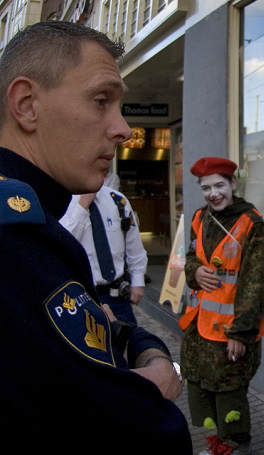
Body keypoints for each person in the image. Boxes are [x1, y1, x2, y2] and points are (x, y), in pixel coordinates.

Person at [0, 21, 190, 453]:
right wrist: (154, 380)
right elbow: (134, 431)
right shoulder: (17, 241)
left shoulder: (35, 218)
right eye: (101, 101)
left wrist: (136, 340)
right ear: (27, 104)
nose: (122, 129)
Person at [180, 157, 264, 455]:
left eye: (219, 185)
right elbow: (191, 254)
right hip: (199, 327)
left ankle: (235, 446)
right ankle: (218, 443)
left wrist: (240, 333)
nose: (213, 193)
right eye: (206, 188)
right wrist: (193, 270)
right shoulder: (198, 217)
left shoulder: (251, 222)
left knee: (231, 395)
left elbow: (255, 283)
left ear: (233, 184)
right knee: (205, 392)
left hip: (231, 331)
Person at [60, 179, 148, 327]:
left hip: (117, 297)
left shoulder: (117, 200)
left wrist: (138, 281)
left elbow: (133, 244)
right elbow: (63, 244)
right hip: (81, 297)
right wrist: (82, 207)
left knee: (128, 343)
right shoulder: (63, 202)